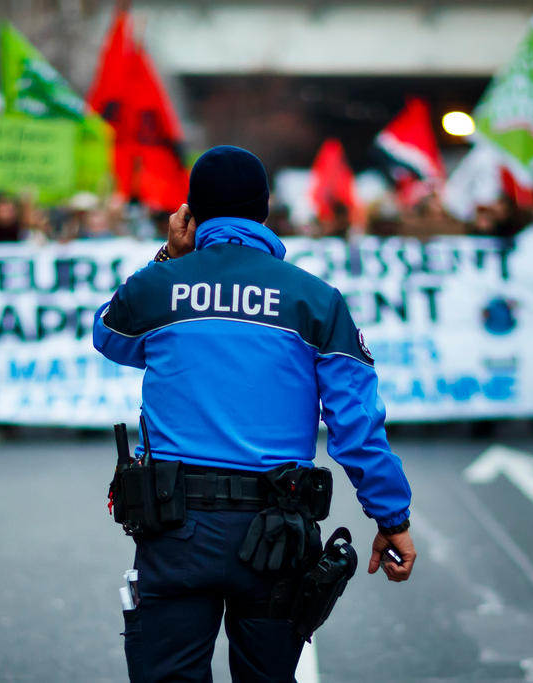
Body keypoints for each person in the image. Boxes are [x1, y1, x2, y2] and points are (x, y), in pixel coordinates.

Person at [92, 146, 415, 682]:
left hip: (176, 530)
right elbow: (356, 428)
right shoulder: (317, 300)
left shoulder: (161, 285)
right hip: (277, 535)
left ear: (191, 214)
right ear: (265, 210)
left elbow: (109, 335)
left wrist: (169, 257)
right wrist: (392, 518)